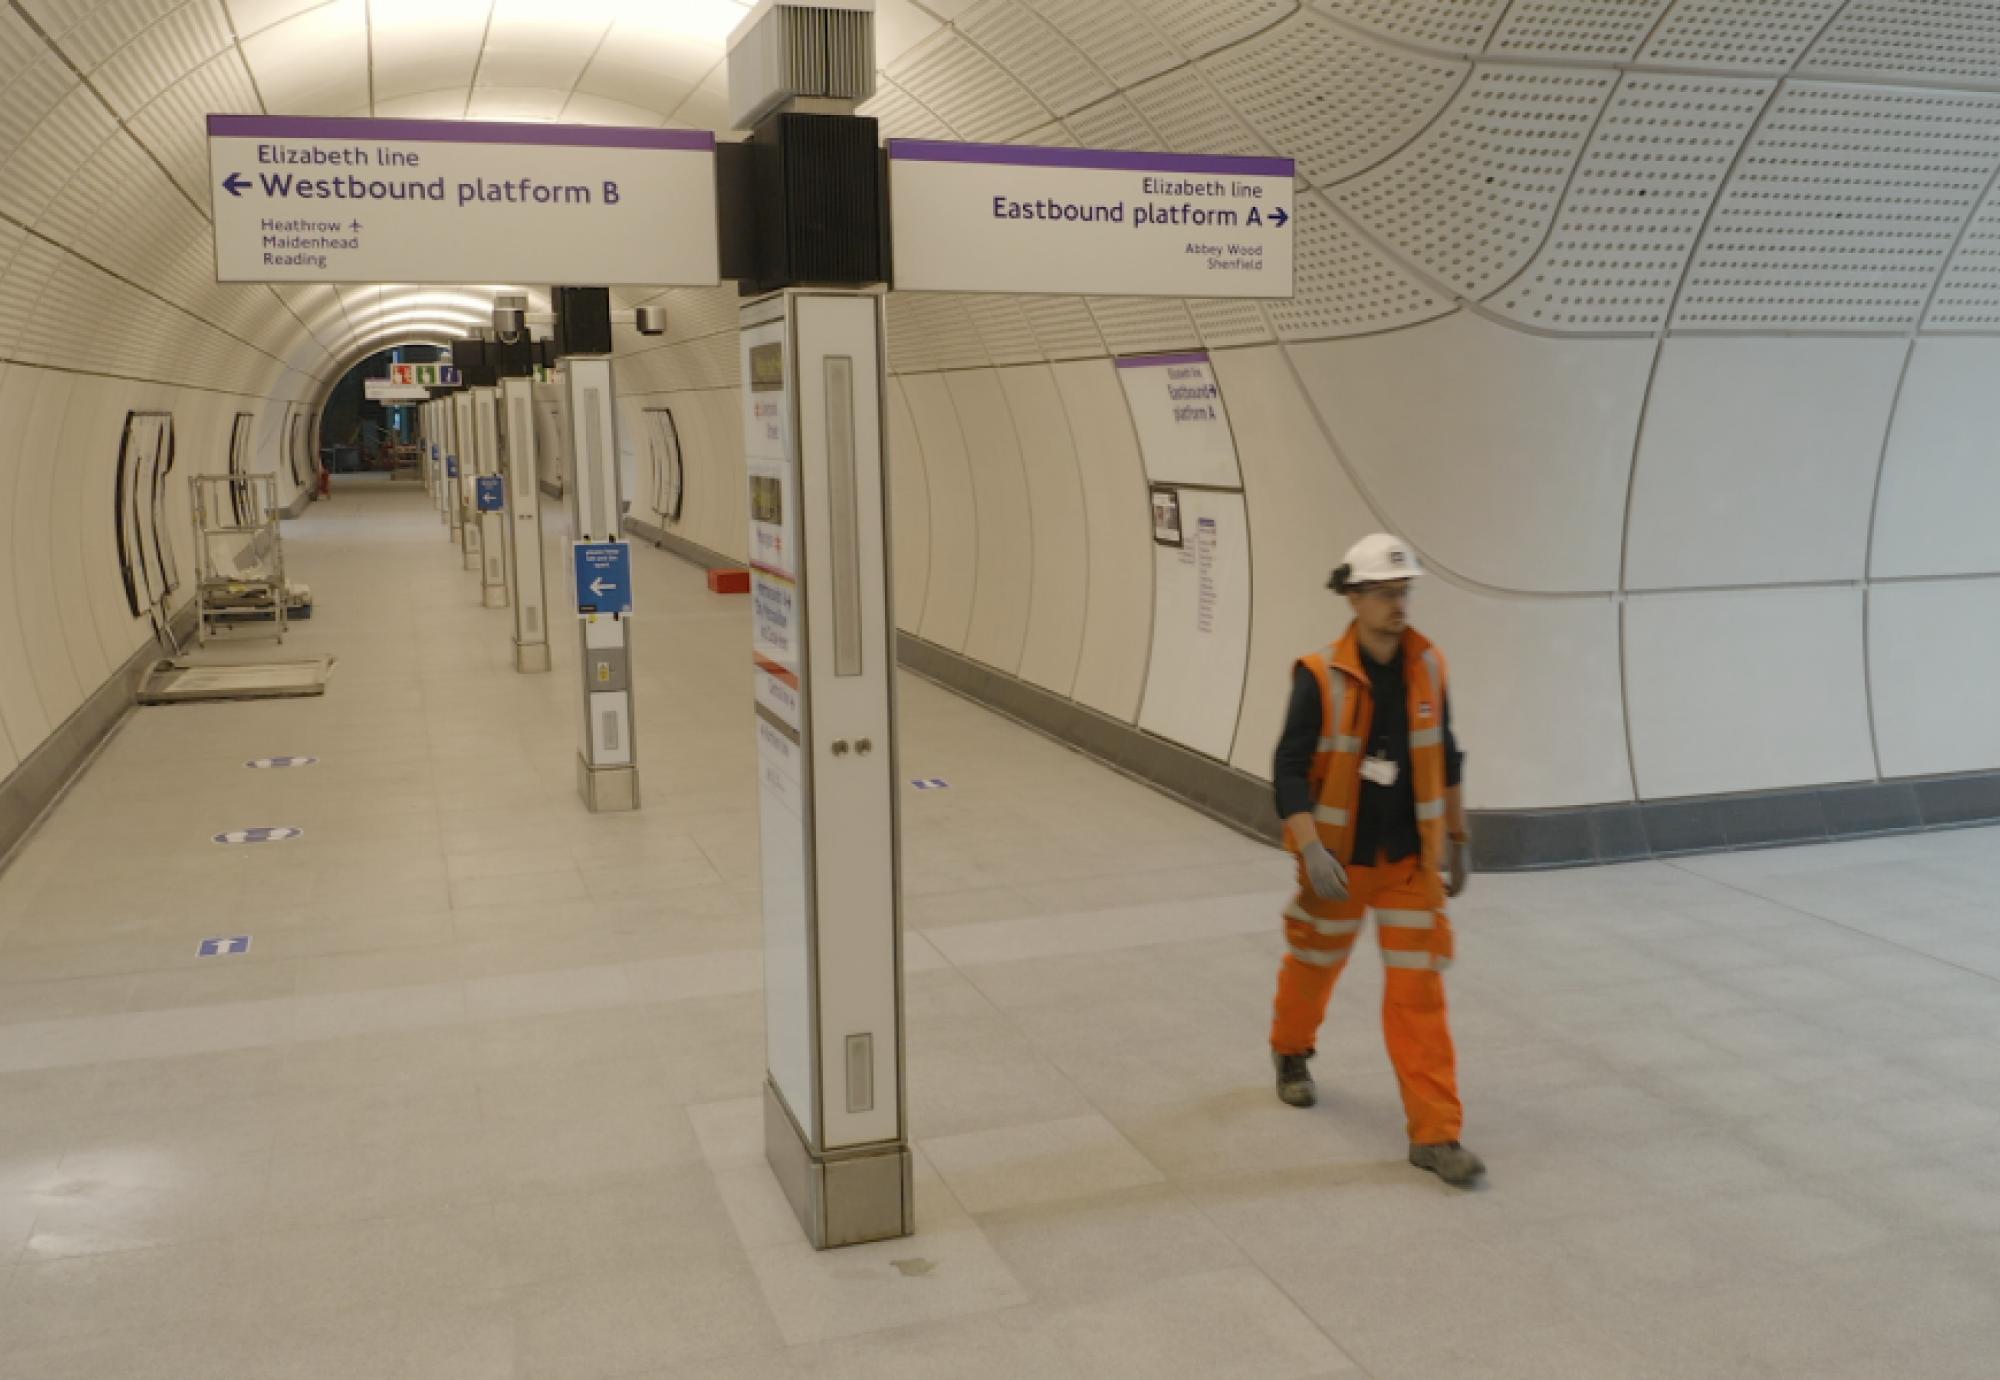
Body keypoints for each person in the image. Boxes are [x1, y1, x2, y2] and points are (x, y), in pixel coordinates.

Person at [1267, 533, 1484, 1187]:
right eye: (1387, 594)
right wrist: (1310, 847)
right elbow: (1288, 769)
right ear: (1354, 598)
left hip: (1407, 867)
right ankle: (1291, 1052)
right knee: (1312, 966)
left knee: (1419, 999)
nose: (1400, 604)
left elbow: (1445, 753)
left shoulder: (1430, 667)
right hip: (1338, 864)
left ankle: (1436, 1135)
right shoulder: (1317, 676)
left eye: (1405, 591)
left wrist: (1459, 836)